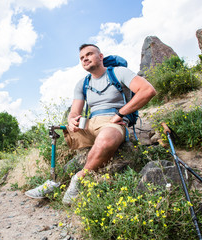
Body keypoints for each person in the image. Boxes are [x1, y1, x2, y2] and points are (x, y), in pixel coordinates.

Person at [25, 44, 156, 204]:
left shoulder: (118, 72)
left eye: (89, 54)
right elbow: (74, 112)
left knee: (106, 139)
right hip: (90, 123)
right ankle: (52, 181)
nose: (85, 58)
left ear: (100, 57)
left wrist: (120, 114)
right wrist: (71, 120)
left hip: (112, 121)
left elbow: (147, 90)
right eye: (82, 57)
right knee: (55, 130)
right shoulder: (83, 83)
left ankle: (80, 178)